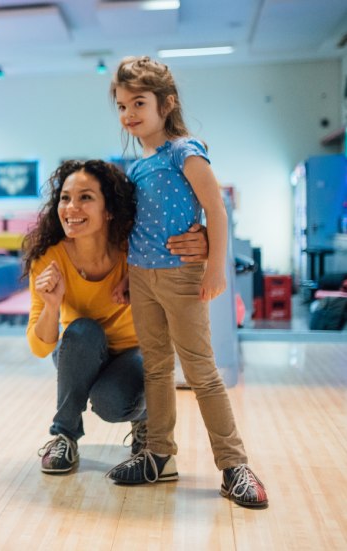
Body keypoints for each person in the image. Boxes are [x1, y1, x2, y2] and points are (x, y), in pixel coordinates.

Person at [104, 56, 268, 509]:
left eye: (138, 102)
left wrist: (217, 266)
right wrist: (125, 277)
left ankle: (234, 465)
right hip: (142, 277)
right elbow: (135, 229)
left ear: (167, 102)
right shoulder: (139, 166)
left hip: (180, 276)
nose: (129, 114)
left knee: (200, 370)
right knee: (156, 367)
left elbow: (216, 210)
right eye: (121, 106)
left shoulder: (185, 150)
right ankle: (159, 454)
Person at [25, 160, 209, 475]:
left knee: (110, 403)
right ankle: (64, 437)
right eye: (65, 198)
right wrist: (52, 304)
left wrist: (205, 239)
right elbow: (41, 348)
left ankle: (146, 421)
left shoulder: (135, 250)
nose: (71, 207)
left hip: (137, 352)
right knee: (81, 331)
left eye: (86, 197)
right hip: (81, 353)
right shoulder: (49, 258)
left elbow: (181, 273)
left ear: (109, 210)